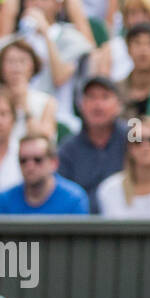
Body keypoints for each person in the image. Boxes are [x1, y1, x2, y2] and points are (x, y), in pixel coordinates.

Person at [57, 77, 129, 208]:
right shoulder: (68, 148)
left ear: (119, 105)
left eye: (105, 97)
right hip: (83, 223)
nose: (98, 105)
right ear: (80, 105)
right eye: (91, 97)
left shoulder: (134, 139)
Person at [0, 132, 90, 216]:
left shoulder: (73, 199)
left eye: (38, 160)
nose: (30, 166)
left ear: (54, 163)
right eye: (23, 160)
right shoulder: (4, 200)